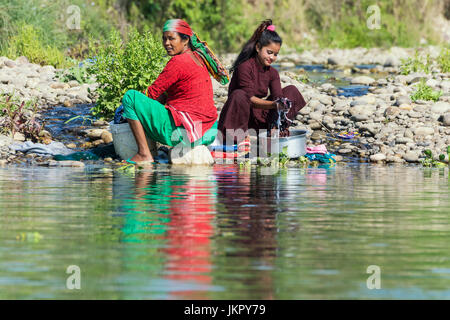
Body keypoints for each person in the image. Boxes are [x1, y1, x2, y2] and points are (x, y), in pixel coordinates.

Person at [122, 19, 229, 164]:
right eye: (164, 38)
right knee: (165, 94)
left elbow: (151, 93)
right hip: (208, 131)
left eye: (171, 38)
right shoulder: (198, 57)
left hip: (186, 134)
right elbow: (162, 94)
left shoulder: (178, 62)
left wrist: (129, 110)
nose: (166, 43)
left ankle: (144, 153)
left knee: (130, 97)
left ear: (185, 40)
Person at [217, 19, 306, 148]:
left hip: (259, 119)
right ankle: (238, 138)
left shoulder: (273, 73)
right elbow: (250, 99)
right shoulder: (245, 67)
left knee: (291, 90)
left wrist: (279, 112)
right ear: (258, 47)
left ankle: (276, 132)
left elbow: (278, 97)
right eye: (269, 52)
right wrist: (274, 105)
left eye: (275, 54)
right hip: (240, 119)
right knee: (239, 94)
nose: (272, 57)